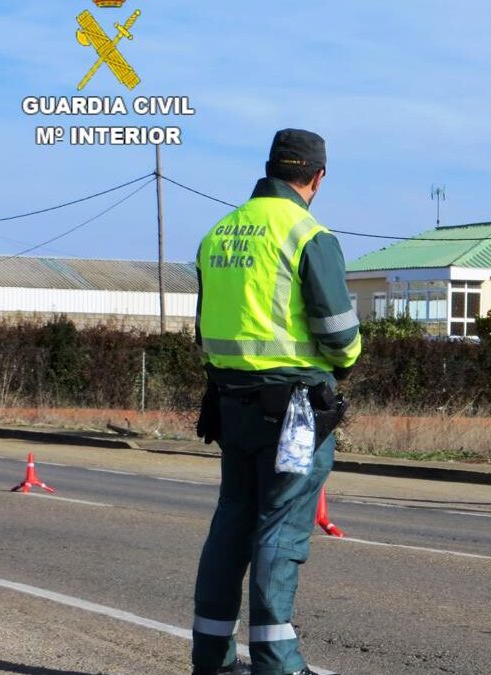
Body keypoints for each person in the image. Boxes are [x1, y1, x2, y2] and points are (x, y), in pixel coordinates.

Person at [190, 129, 361, 675]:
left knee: (231, 523)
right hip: (294, 411)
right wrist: (346, 360)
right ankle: (276, 663)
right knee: (280, 529)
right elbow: (340, 335)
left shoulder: (219, 232)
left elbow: (204, 329)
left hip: (229, 403)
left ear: (269, 168)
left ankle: (211, 659)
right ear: (318, 177)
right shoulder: (309, 235)